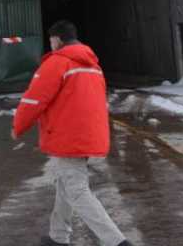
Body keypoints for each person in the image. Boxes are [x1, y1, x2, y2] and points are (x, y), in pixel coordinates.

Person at [11, 20, 132, 246]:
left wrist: (18, 126)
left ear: (57, 39)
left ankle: (117, 242)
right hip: (88, 135)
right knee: (65, 184)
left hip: (68, 137)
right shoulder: (93, 65)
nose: (50, 45)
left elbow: (34, 98)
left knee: (77, 191)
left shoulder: (58, 63)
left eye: (50, 41)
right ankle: (58, 236)